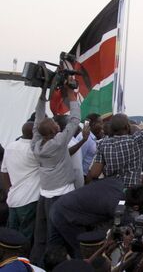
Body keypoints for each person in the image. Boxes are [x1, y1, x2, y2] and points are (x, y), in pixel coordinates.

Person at [29, 84, 80, 266]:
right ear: (53, 132)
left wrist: (43, 95)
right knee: (56, 235)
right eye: (55, 124)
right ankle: (57, 266)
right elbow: (75, 120)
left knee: (40, 235)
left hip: (44, 194)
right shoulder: (58, 142)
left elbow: (37, 123)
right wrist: (72, 97)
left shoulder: (36, 145)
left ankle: (36, 264)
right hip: (60, 195)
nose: (57, 123)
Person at [86, 84, 143, 188]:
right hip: (131, 193)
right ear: (127, 127)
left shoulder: (102, 144)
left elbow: (95, 173)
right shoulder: (136, 140)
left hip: (111, 191)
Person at [0, 122, 40, 243]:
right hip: (30, 199)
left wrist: (9, 191)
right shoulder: (36, 150)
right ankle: (22, 260)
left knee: (11, 236)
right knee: (25, 237)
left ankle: (8, 259)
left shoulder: (11, 147)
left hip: (13, 199)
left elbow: (4, 171)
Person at [74, 113, 104, 178]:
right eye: (101, 124)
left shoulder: (92, 137)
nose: (102, 126)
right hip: (83, 176)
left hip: (88, 176)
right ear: (93, 124)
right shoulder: (85, 138)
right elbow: (79, 159)